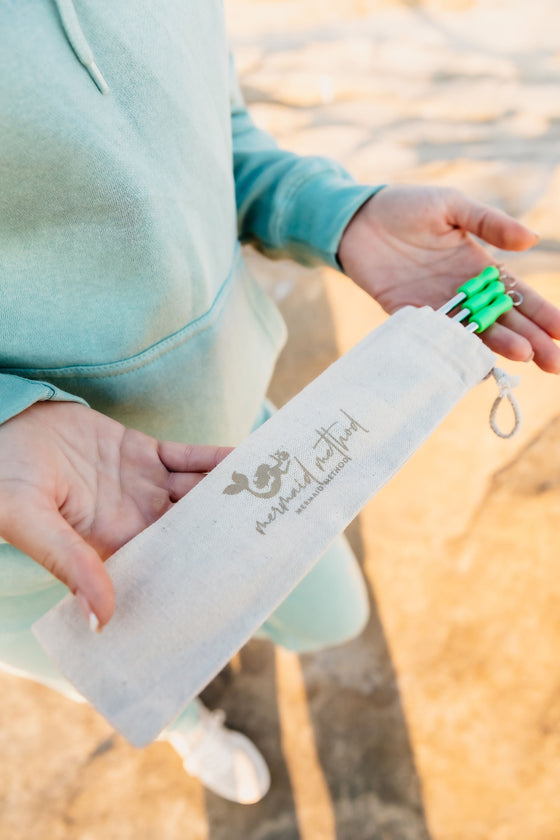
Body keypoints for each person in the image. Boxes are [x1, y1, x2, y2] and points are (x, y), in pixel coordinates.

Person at [1, 0, 559, 807]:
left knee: (331, 615)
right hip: (34, 539)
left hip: (231, 448)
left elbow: (215, 138)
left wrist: (342, 215)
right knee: (110, 673)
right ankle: (187, 727)